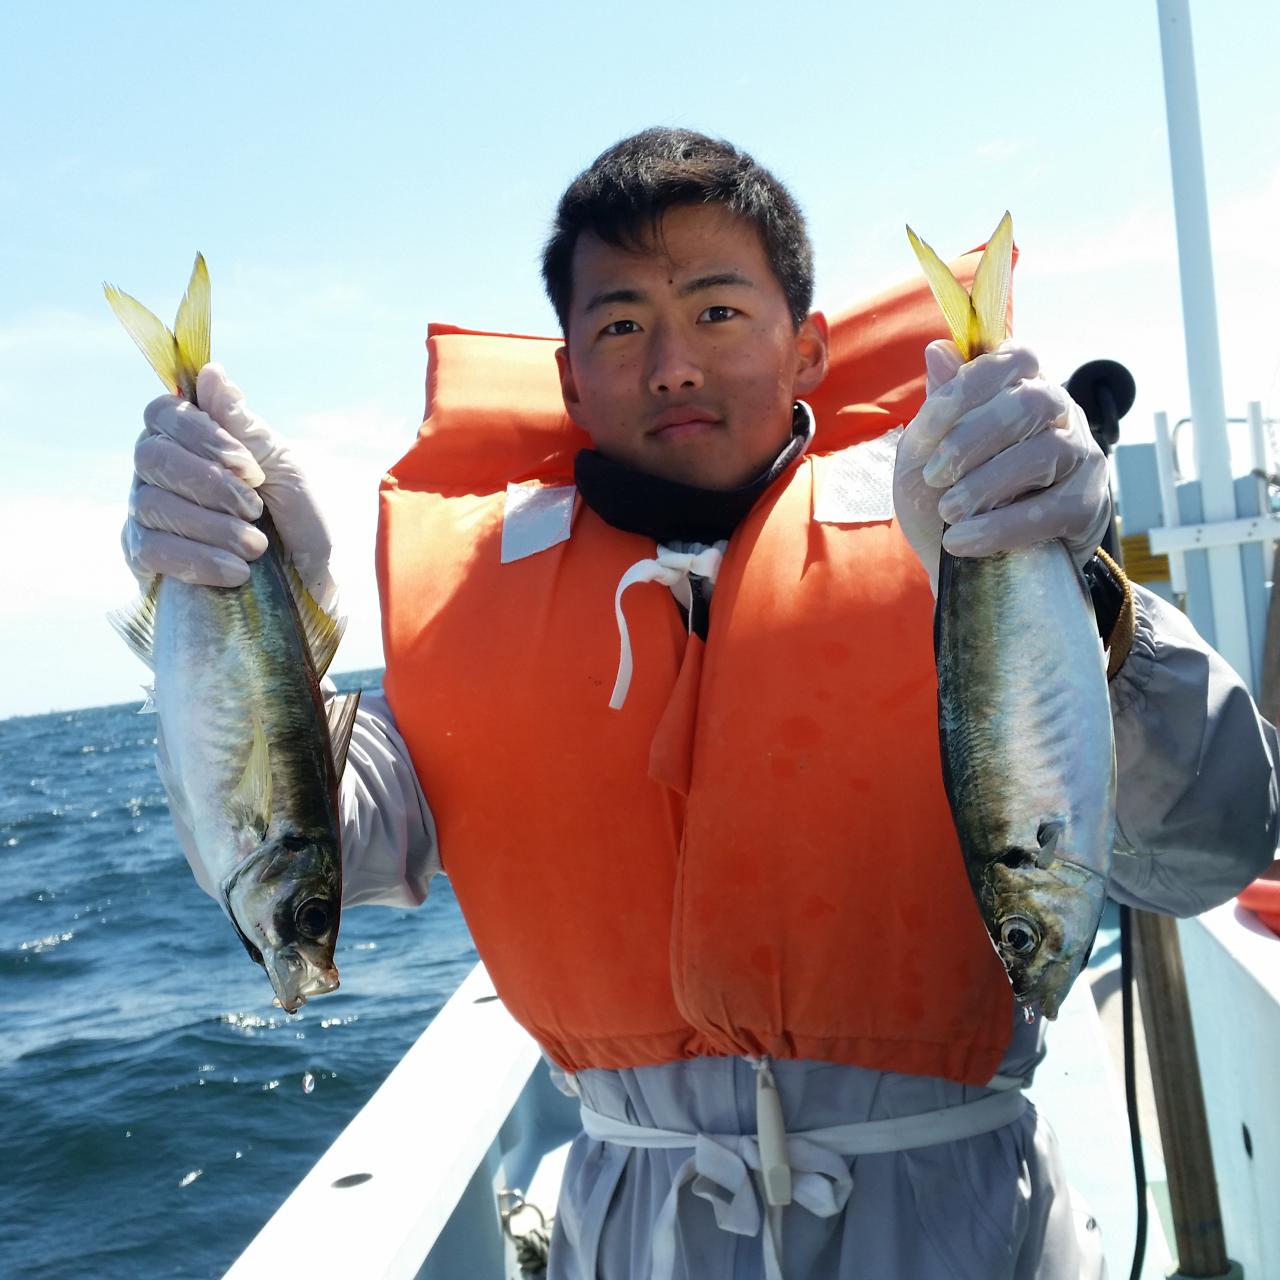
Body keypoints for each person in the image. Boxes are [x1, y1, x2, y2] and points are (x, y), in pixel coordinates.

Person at [122, 129, 1278, 1280]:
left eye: (717, 310)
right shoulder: (469, 610)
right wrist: (235, 594)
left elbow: (1208, 846)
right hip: (635, 1234)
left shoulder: (965, 537)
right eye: (621, 325)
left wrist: (1081, 583)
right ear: (569, 374)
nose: (671, 364)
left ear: (807, 347)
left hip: (962, 1227)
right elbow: (320, 843)